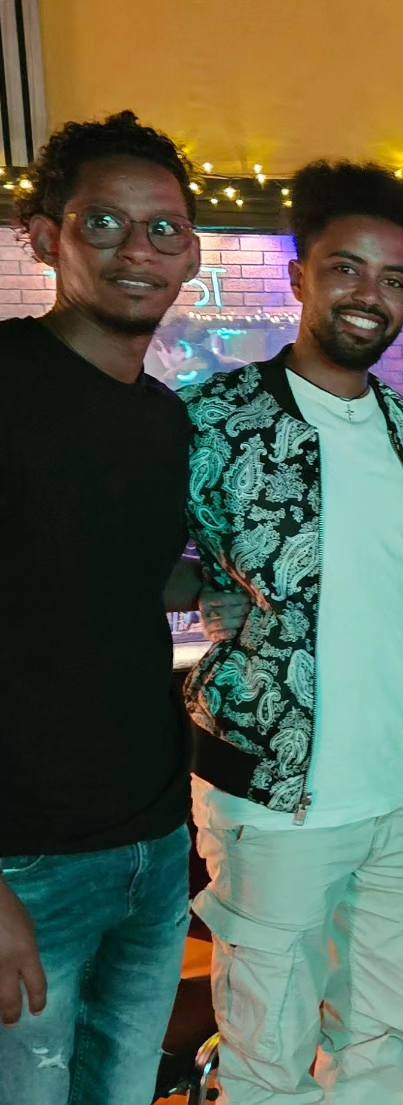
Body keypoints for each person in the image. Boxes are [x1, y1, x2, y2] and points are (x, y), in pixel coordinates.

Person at [181, 161, 403, 1104]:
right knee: (265, 1049)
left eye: (393, 277)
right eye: (346, 268)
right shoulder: (214, 418)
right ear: (300, 277)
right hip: (272, 793)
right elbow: (118, 549)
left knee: (381, 1031)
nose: (370, 294)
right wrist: (204, 584)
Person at [0, 111, 199, 1105]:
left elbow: (110, 577)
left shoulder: (164, 420)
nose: (138, 250)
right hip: (24, 860)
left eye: (164, 228)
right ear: (46, 238)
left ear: (190, 252)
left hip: (153, 845)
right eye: (104, 222)